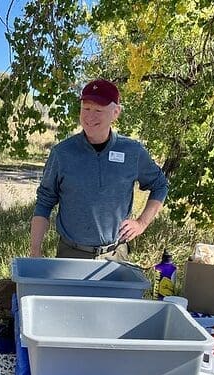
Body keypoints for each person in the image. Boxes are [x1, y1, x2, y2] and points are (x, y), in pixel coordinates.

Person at [30, 79, 168, 261]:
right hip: (71, 255)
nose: (90, 116)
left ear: (116, 112)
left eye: (98, 110)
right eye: (86, 109)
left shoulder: (132, 151)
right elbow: (44, 202)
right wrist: (35, 252)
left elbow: (160, 185)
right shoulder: (62, 154)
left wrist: (141, 223)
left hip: (116, 256)